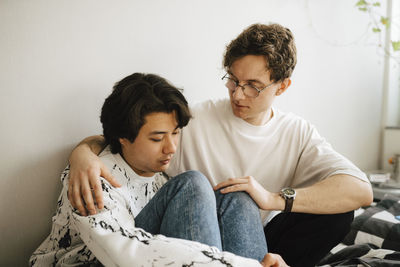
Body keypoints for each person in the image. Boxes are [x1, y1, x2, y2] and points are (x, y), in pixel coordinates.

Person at [68, 23, 373, 267]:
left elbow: (360, 191)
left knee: (323, 210)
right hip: (193, 230)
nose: (238, 95)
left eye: (253, 86)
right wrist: (81, 153)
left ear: (282, 85)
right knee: (208, 186)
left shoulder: (297, 132)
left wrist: (271, 198)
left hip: (249, 231)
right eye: (233, 81)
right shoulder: (194, 119)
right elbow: (126, 135)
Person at [30, 73, 287, 266]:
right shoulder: (92, 177)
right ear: (122, 136)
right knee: (194, 183)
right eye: (157, 138)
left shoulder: (161, 181)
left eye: (175, 134)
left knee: (237, 195)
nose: (171, 148)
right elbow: (127, 252)